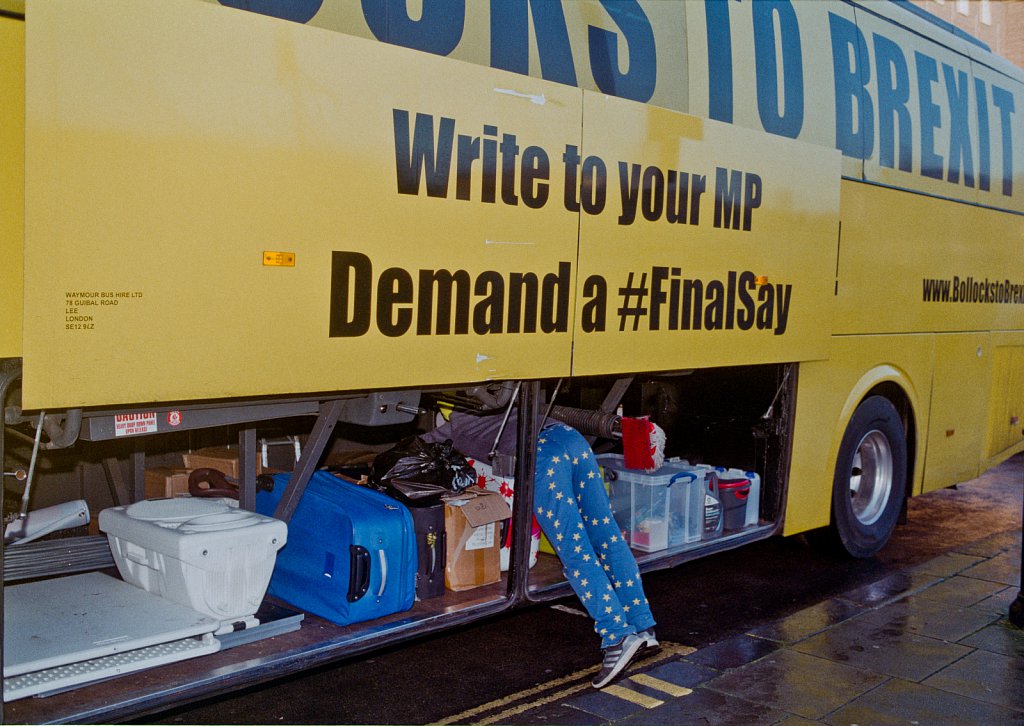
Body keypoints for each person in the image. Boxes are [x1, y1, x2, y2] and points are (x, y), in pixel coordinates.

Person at [422, 411, 659, 688]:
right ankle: (643, 625)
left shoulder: (453, 428)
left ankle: (617, 636)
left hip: (543, 457)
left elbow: (417, 447)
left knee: (574, 550)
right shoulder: (497, 409)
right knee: (607, 537)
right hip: (572, 439)